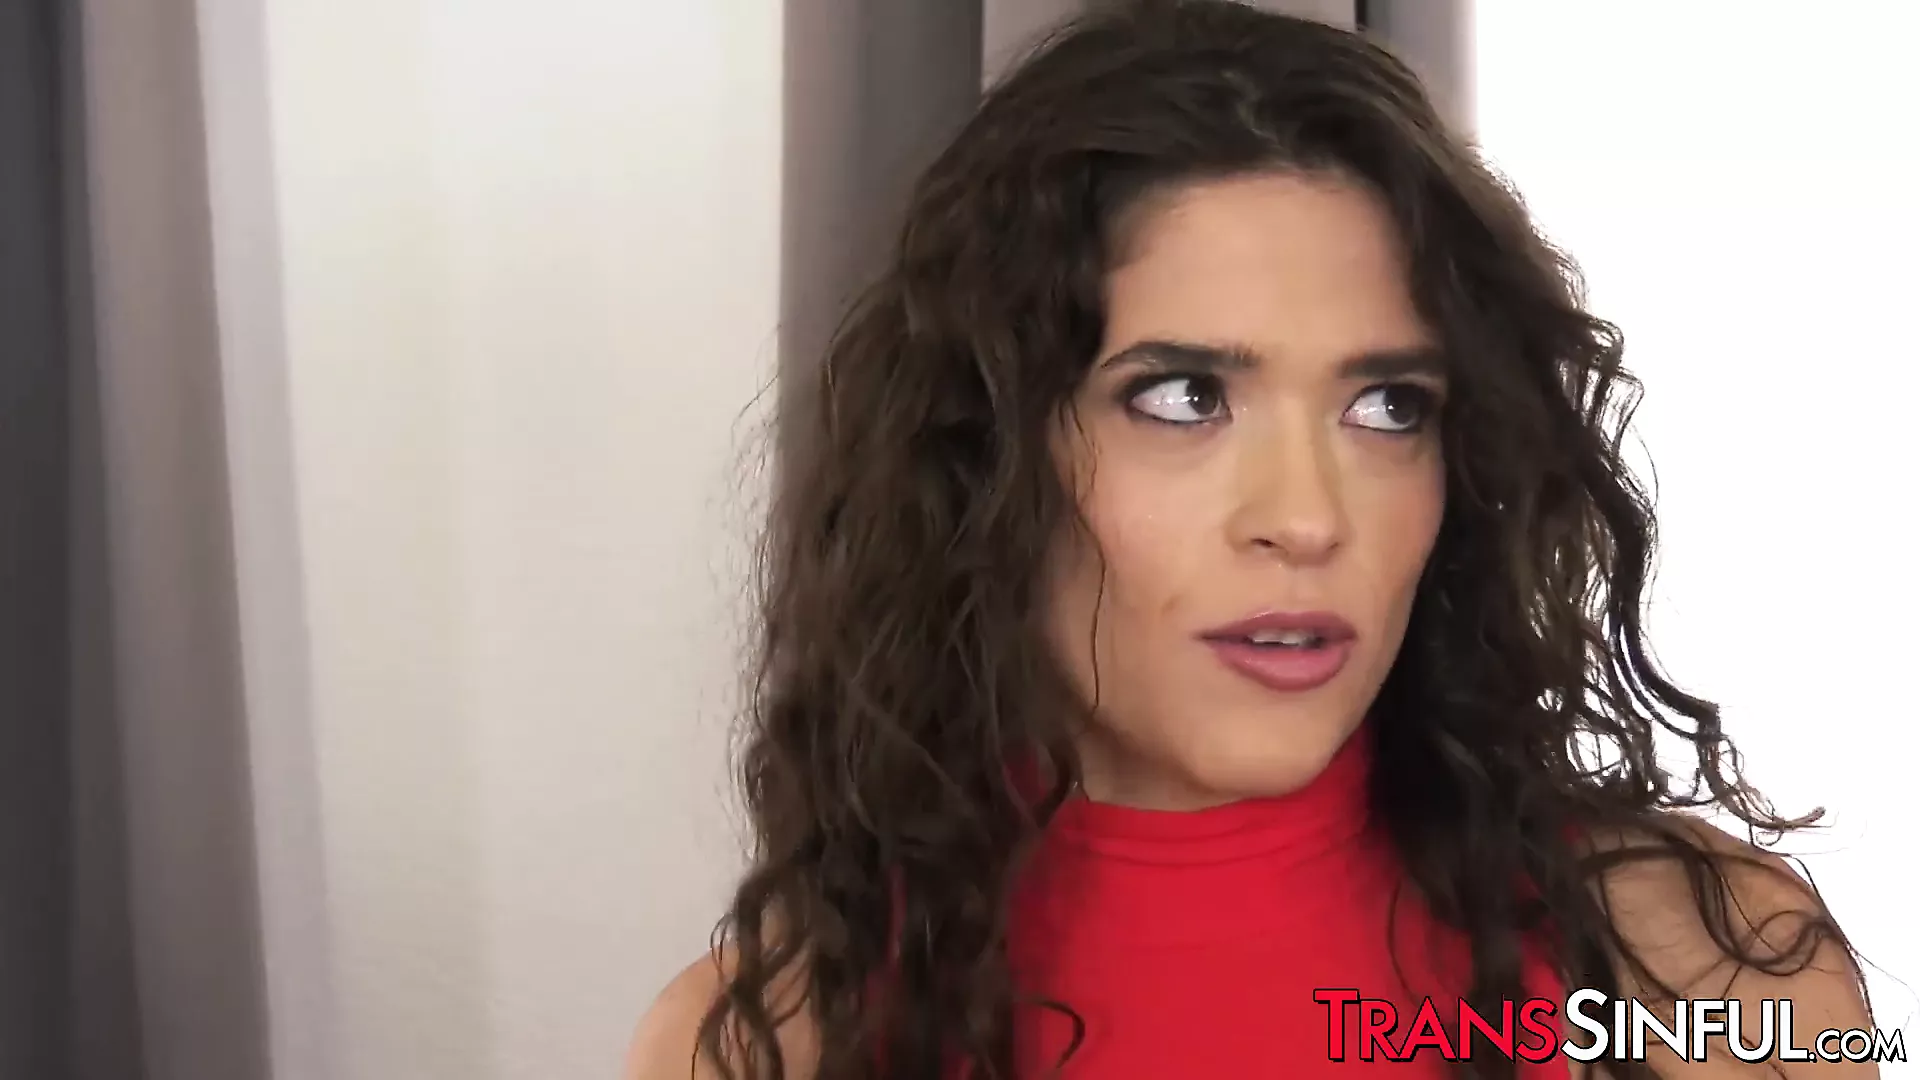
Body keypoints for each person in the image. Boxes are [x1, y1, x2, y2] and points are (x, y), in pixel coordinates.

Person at [628, 2, 1877, 1076]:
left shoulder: (1700, 968)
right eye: (1185, 398)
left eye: (1388, 407)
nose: (1307, 517)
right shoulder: (770, 1043)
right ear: (983, 457)